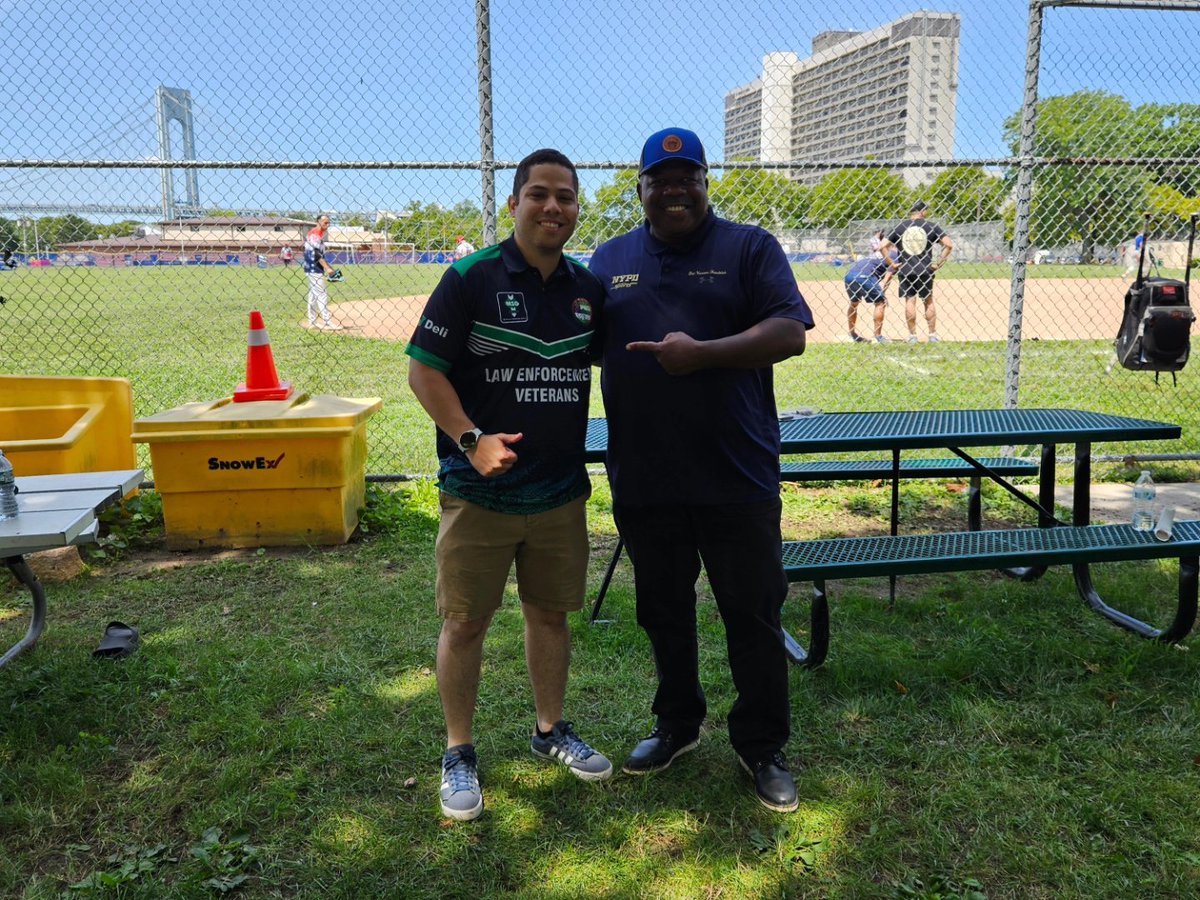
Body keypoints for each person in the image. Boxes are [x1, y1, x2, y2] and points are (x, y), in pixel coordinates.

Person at [589, 127, 813, 813]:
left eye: (689, 177)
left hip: (735, 473)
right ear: (642, 189)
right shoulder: (610, 257)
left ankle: (761, 744)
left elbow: (789, 332)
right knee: (663, 610)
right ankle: (677, 724)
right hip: (647, 475)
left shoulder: (749, 248)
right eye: (662, 179)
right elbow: (579, 340)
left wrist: (703, 353)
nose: (676, 189)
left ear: (706, 183)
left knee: (751, 611)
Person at [405, 148, 612, 822]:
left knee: (549, 615)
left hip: (558, 492)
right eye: (540, 194)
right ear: (514, 202)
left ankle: (550, 729)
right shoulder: (469, 278)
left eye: (567, 197)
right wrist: (472, 438)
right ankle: (458, 751)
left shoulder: (588, 290)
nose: (554, 207)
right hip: (478, 493)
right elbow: (424, 373)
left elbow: (618, 365)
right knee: (466, 622)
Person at [880, 200, 953, 343]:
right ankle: (932, 335)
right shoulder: (931, 226)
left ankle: (912, 336)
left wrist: (892, 264)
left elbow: (883, 246)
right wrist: (938, 264)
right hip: (925, 269)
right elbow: (949, 245)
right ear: (922, 211)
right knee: (928, 300)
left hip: (906, 269)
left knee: (910, 301)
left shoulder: (901, 227)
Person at [303, 215, 343, 331]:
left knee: (313, 295)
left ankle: (312, 321)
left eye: (329, 223)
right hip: (313, 267)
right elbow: (316, 253)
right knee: (321, 294)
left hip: (313, 267)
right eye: (325, 222)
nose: (328, 225)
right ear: (318, 222)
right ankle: (328, 322)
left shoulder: (318, 235)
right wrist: (328, 269)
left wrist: (330, 268)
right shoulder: (314, 234)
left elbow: (321, 254)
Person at [844, 251, 895, 343]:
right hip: (865, 276)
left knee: (854, 303)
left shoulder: (878, 253)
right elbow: (889, 275)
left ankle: (852, 335)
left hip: (849, 275)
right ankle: (878, 337)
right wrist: (882, 294)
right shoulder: (895, 255)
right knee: (880, 303)